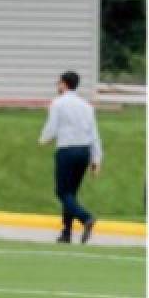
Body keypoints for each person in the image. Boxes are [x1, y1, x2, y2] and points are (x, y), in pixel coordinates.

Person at [39, 71, 102, 244]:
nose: (57, 86)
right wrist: (96, 159)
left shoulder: (58, 104)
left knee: (61, 192)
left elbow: (52, 128)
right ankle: (66, 233)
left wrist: (42, 140)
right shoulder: (86, 106)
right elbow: (94, 133)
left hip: (66, 151)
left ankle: (86, 218)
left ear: (64, 84)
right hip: (84, 152)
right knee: (70, 194)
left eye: (58, 83)